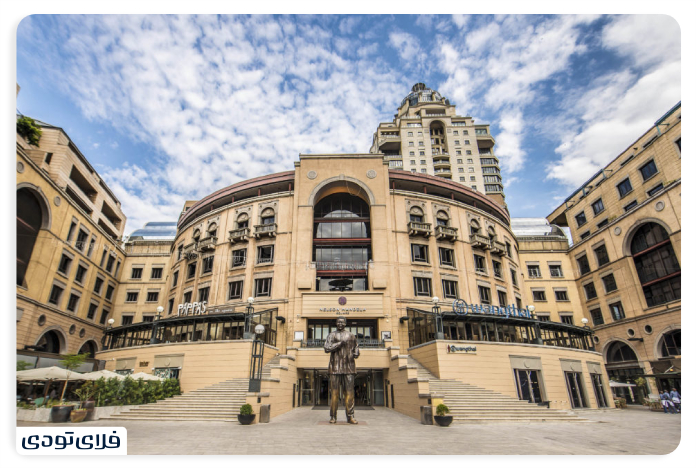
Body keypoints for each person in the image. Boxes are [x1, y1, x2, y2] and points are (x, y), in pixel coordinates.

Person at [324, 316, 360, 424]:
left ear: (345, 323)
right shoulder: (332, 335)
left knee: (349, 394)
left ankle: (350, 416)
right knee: (334, 394)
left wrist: (356, 352)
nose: (340, 324)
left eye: (342, 322)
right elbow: (327, 348)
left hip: (348, 367)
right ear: (336, 323)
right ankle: (333, 416)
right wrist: (339, 344)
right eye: (338, 322)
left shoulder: (351, 335)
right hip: (335, 367)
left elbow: (356, 347)